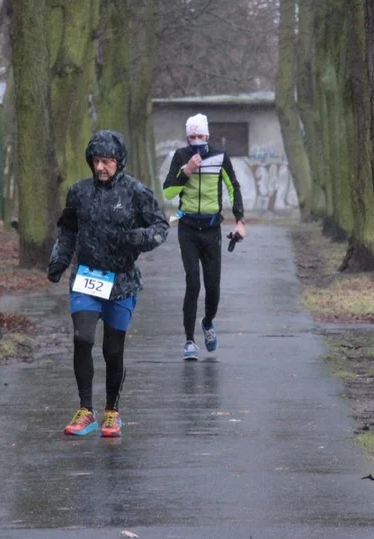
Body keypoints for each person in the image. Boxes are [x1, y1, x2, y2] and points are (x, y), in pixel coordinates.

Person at [48, 130, 169, 437]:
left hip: (122, 282)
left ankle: (112, 412)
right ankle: (85, 410)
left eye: (106, 161)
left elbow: (160, 226)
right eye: (95, 161)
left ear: (118, 162)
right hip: (87, 278)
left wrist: (138, 238)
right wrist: (59, 261)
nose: (100, 167)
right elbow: (68, 230)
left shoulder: (136, 192)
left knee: (112, 351)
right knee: (83, 339)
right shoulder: (79, 192)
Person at [162, 113, 246, 360]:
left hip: (211, 230)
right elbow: (168, 192)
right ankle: (189, 341)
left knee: (213, 287)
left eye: (200, 136)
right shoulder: (180, 157)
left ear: (207, 136)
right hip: (187, 228)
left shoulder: (220, 157)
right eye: (192, 137)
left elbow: (233, 187)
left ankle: (208, 323)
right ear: (187, 138)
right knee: (192, 283)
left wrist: (240, 220)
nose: (196, 141)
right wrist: (186, 171)